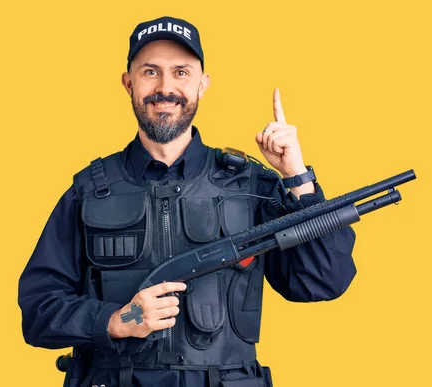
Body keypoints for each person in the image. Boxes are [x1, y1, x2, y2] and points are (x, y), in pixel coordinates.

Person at [18, 16, 356, 387]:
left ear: (202, 84)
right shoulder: (88, 189)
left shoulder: (251, 184)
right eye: (151, 72)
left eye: (181, 72)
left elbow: (324, 281)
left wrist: (297, 179)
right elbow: (38, 311)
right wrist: (118, 320)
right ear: (128, 83)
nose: (166, 87)